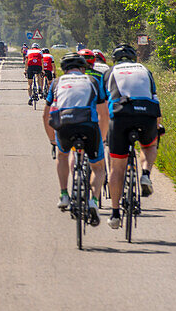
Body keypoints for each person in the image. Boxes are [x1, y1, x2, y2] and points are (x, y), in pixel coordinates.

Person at [43, 52, 109, 225]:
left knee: (63, 155)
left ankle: (64, 194)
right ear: (83, 69)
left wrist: (52, 140)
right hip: (89, 126)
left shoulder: (57, 82)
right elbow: (104, 114)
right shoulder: (93, 81)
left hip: (64, 125)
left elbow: (46, 114)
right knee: (98, 167)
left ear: (64, 70)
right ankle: (93, 200)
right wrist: (100, 140)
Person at [105, 43, 162, 230]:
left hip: (121, 116)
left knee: (117, 167)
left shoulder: (110, 72)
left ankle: (114, 214)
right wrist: (158, 126)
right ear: (134, 58)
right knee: (149, 145)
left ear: (115, 59)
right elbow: (155, 100)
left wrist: (105, 132)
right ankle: (145, 174)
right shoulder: (146, 71)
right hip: (146, 114)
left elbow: (103, 105)